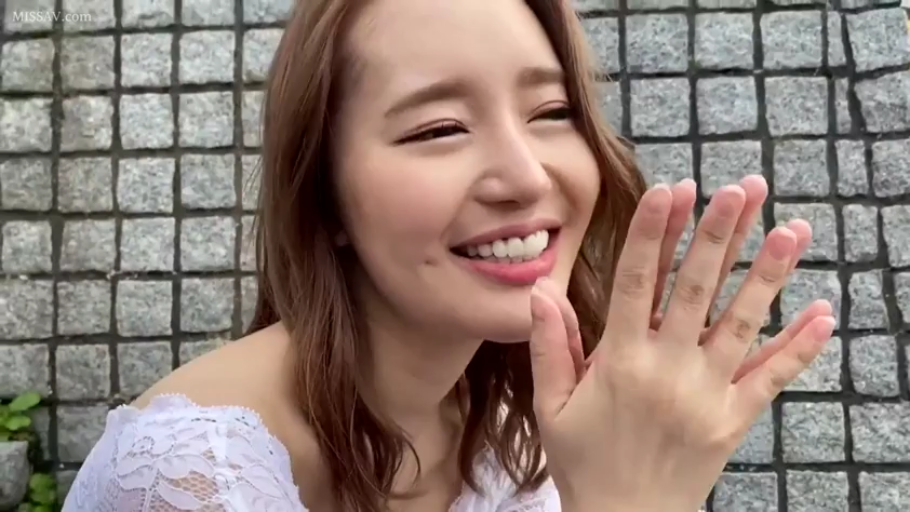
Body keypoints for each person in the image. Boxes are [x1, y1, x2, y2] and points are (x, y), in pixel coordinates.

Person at [61, 0, 836, 510]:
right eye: (439, 129)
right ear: (325, 199)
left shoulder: (519, 425)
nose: (527, 177)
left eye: (551, 111)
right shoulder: (189, 475)